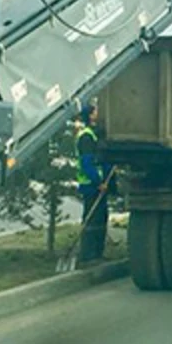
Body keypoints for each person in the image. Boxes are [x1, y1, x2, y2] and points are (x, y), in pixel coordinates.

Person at [75, 102, 109, 266]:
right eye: (96, 110)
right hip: (91, 185)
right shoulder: (86, 136)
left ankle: (97, 253)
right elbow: (87, 163)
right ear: (90, 115)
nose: (99, 113)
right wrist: (98, 182)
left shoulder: (95, 135)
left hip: (99, 185)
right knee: (91, 219)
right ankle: (87, 255)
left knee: (101, 218)